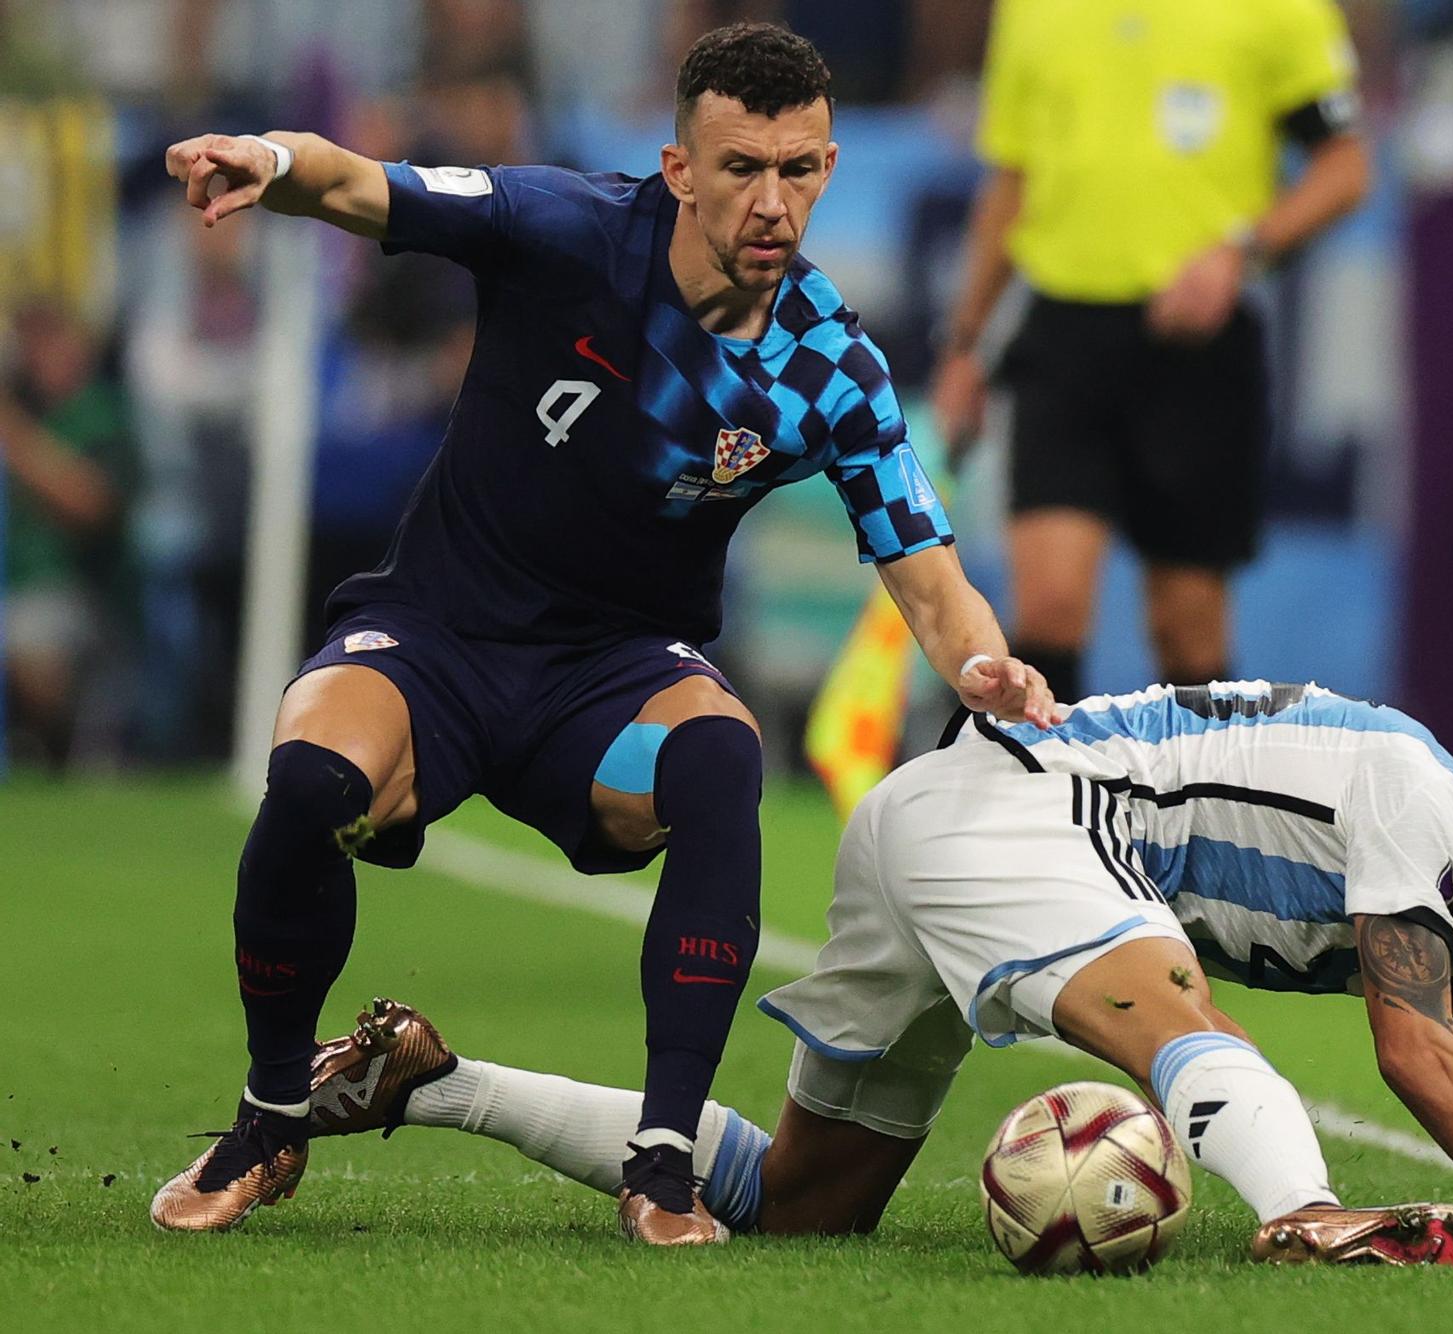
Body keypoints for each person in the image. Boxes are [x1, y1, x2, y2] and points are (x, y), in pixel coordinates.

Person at [149, 22, 1055, 1246]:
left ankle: (664, 1160)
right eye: (741, 167)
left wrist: (984, 668)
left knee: (721, 757)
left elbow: (933, 586)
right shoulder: (565, 229)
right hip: (436, 640)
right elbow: (366, 185)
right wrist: (269, 155)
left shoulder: (831, 368)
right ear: (679, 168)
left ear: (830, 165)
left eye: (798, 169)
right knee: (309, 779)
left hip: (612, 680)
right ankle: (269, 1116)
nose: (772, 199)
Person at [304, 680, 1453, 1261]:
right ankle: (1310, 1217)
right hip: (1015, 812)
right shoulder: (1425, 797)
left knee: (805, 1201)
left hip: (930, 829)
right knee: (1186, 1010)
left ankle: (438, 1081)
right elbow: (1419, 1060)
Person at [930, 0, 1373, 705]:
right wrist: (964, 345)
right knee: (1047, 609)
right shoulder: (1030, 11)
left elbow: (1345, 167)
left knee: (1186, 632)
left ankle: (1195, 814)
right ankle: (1060, 812)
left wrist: (1242, 251)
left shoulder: (1282, 11)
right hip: (1063, 332)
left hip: (1196, 350)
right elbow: (1010, 182)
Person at [1, 300, 135, 768]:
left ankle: (48, 754)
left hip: (77, 593)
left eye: (50, 340)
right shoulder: (25, 408)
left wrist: (12, 433)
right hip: (13, 585)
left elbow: (91, 506)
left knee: (31, 642)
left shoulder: (103, 414)